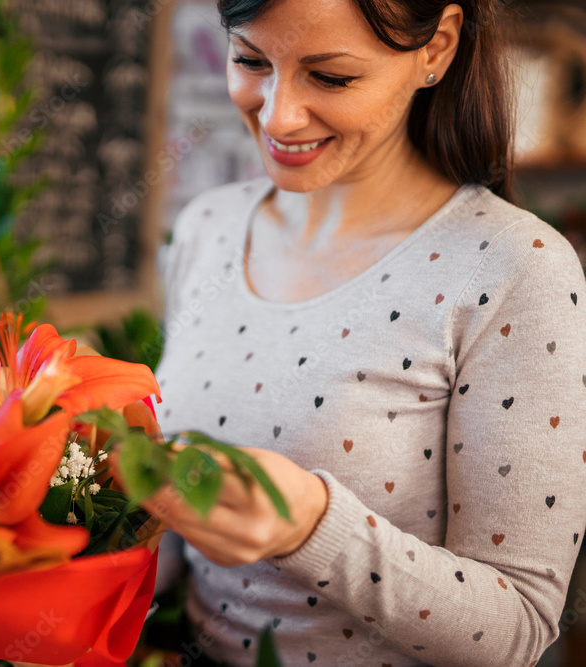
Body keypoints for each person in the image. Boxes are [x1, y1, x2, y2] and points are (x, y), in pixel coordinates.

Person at [146, 0, 586, 665]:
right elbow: (177, 536)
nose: (277, 114)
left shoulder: (516, 268)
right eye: (250, 61)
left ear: (436, 48)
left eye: (330, 77)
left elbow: (517, 626)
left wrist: (309, 525)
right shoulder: (207, 227)